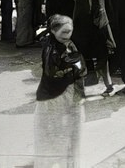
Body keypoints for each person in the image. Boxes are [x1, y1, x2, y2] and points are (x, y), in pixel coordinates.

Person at [34, 14, 86, 168]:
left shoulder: (68, 45)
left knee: (67, 132)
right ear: (53, 31)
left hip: (66, 93)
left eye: (69, 31)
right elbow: (51, 72)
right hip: (54, 96)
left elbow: (81, 70)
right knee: (56, 132)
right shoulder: (52, 48)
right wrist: (69, 65)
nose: (67, 35)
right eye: (64, 32)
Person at [72, 0, 116, 95]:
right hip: (103, 22)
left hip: (87, 25)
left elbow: (85, 9)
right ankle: (109, 85)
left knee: (79, 57)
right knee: (103, 55)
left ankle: (80, 89)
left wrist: (75, 26)